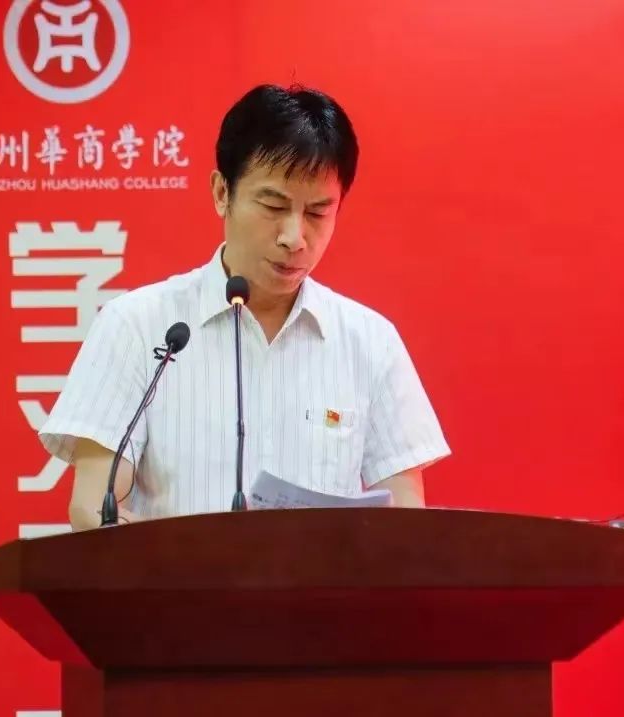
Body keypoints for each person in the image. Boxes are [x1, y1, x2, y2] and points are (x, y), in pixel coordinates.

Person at [39, 84, 450, 529]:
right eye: (273, 205)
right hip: (180, 578)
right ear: (222, 193)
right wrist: (194, 563)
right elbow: (94, 508)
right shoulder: (137, 326)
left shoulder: (370, 341)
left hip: (321, 579)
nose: (294, 238)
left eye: (317, 213)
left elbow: (406, 521)